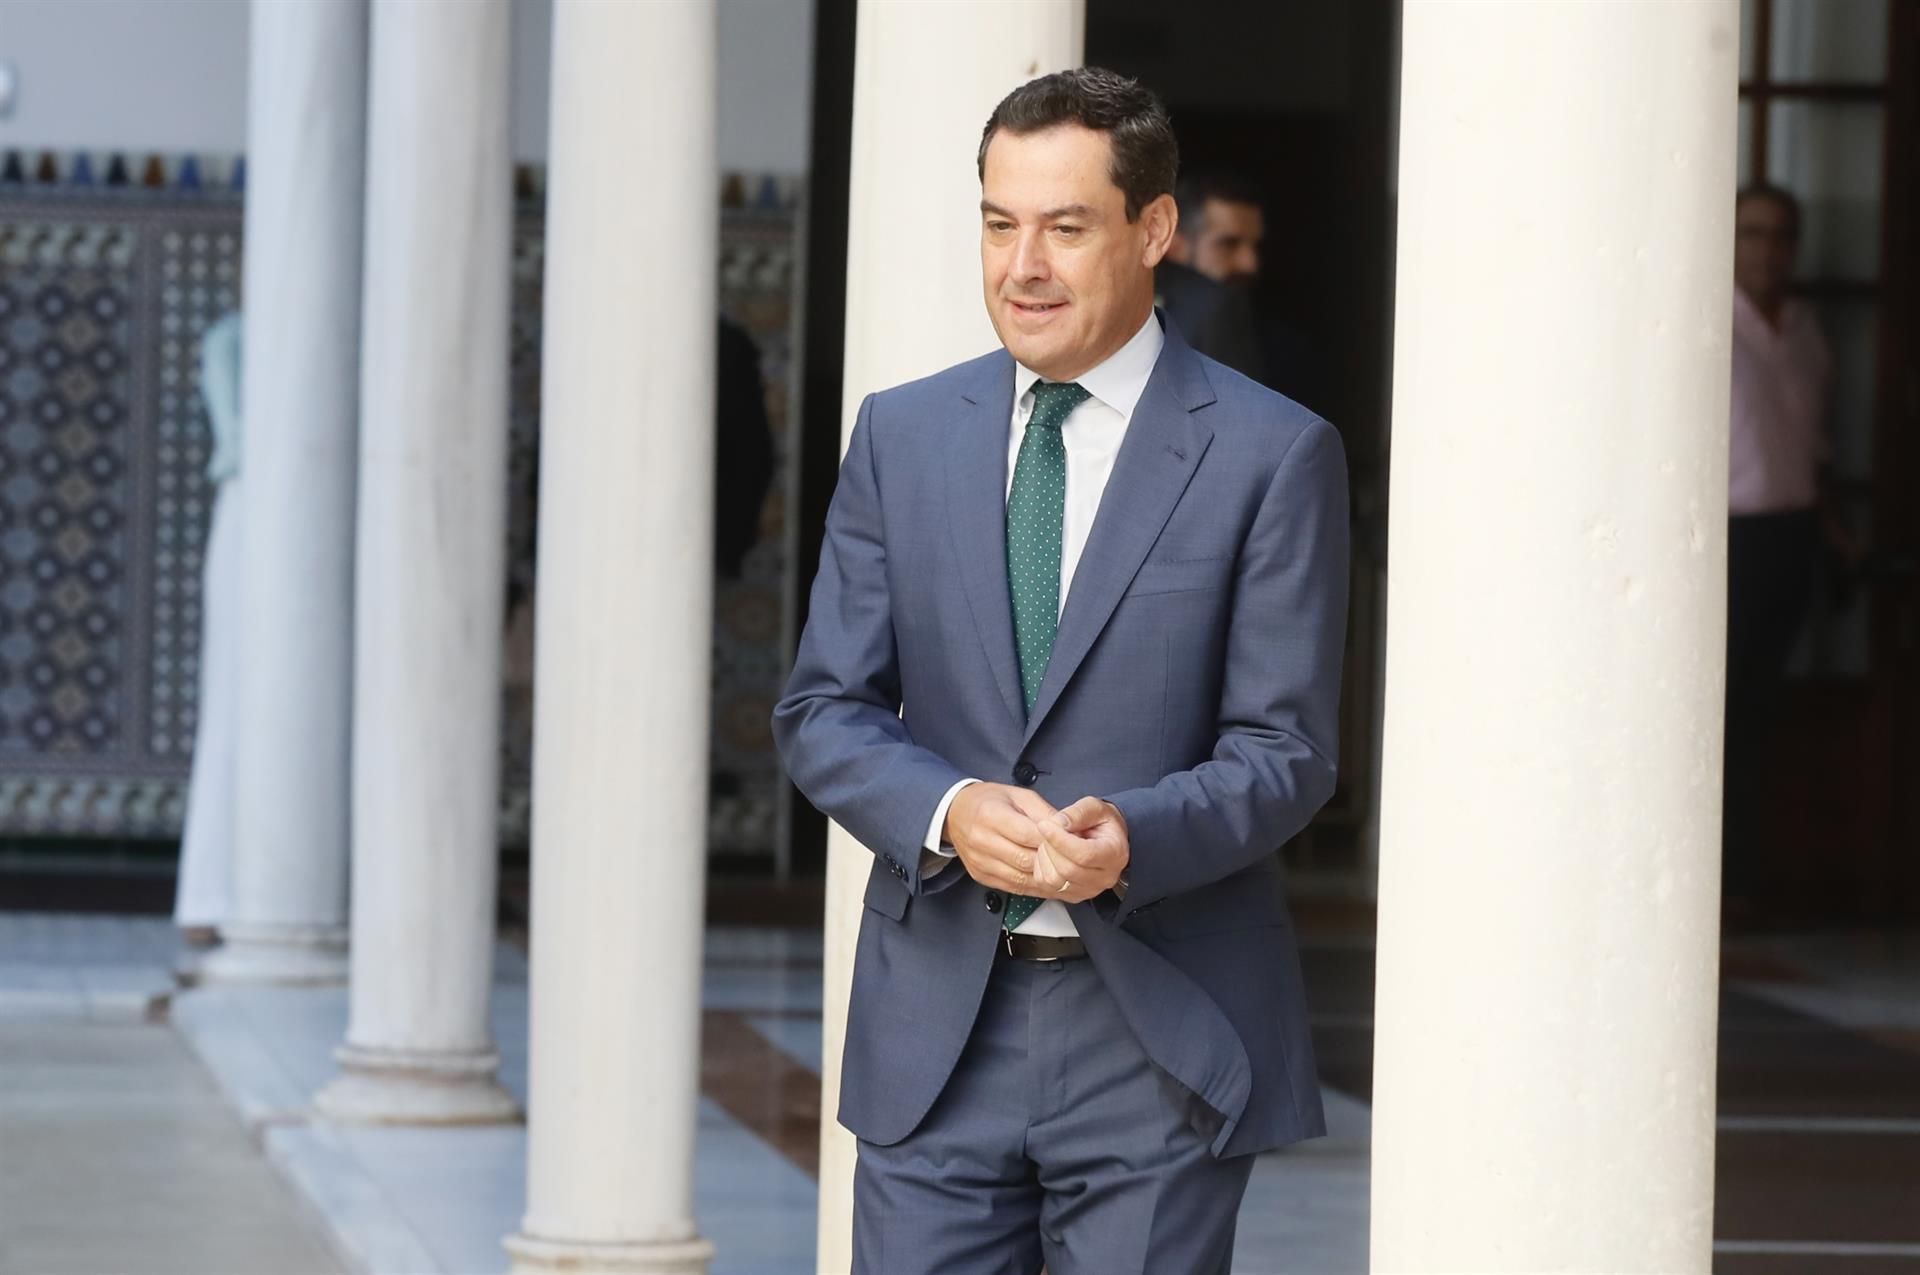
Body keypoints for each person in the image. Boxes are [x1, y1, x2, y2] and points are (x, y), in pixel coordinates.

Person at [773, 68, 1348, 1272]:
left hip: (1157, 1040)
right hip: (937, 1031)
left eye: (1065, 226)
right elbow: (824, 707)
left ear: (1154, 230)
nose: (1022, 264)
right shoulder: (901, 434)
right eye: (999, 222)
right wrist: (947, 809)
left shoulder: (1273, 454)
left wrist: (1131, 836)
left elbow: (1286, 751)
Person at [1723, 183, 1844, 901]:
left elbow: (1811, 444)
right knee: (1723, 709)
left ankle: (1751, 878)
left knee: (1767, 711)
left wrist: (1834, 530)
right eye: (1753, 233)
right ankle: (1720, 885)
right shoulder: (1714, 325)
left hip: (1792, 535)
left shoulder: (1806, 330)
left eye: (1781, 236)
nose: (1769, 250)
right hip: (1733, 537)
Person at [174, 311, 244, 944]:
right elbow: (242, 441)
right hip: (254, 511)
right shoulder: (230, 339)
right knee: (234, 702)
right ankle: (212, 893)